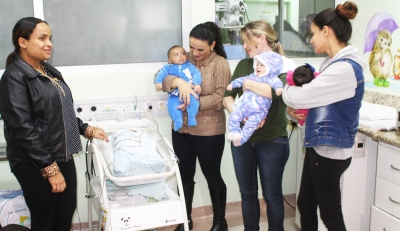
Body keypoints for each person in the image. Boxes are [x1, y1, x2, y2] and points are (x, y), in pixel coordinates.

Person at [0, 17, 109, 231]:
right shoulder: (14, 77)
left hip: (61, 152)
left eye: (50, 38)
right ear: (23, 42)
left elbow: (60, 112)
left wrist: (85, 128)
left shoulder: (48, 71)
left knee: (66, 211)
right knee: (45, 217)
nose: (49, 43)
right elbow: (22, 128)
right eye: (42, 38)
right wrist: (50, 169)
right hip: (32, 160)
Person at [282, 2, 365, 230]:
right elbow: (310, 100)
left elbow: (298, 96)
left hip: (330, 151)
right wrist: (293, 106)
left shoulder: (344, 69)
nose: (310, 40)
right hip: (320, 147)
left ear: (326, 31)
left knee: (330, 214)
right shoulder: (331, 64)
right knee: (306, 204)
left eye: (313, 33)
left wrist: (288, 92)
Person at [223, 20, 296, 231]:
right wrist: (238, 113)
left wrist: (248, 84)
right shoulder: (245, 64)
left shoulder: (283, 64)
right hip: (243, 141)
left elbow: (276, 93)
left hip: (273, 140)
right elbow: (228, 96)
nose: (244, 47)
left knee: (272, 195)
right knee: (247, 194)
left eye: (246, 41)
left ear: (261, 38)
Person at [160, 21, 231, 231]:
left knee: (212, 175)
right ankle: (185, 220)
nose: (194, 53)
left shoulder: (220, 64)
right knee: (183, 176)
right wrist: (178, 83)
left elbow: (220, 99)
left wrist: (192, 100)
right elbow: (164, 79)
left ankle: (220, 222)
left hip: (209, 131)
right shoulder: (184, 59)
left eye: (200, 49)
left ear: (212, 45)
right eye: (191, 47)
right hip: (182, 130)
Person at [226, 51, 284, 147]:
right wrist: (233, 84)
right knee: (233, 116)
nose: (258, 67)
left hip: (258, 111)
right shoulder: (253, 76)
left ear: (271, 68)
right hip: (244, 106)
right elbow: (242, 79)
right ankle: (234, 132)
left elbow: (277, 83)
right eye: (257, 64)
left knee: (250, 126)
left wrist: (278, 88)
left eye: (262, 65)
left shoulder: (270, 78)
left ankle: (241, 139)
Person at [154, 45, 202, 131]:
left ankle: (192, 117)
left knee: (194, 101)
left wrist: (197, 84)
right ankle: (177, 120)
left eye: (183, 54)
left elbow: (196, 73)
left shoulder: (189, 65)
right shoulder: (168, 67)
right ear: (170, 60)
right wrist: (158, 82)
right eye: (176, 55)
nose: (181, 56)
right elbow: (160, 74)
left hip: (190, 92)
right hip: (175, 94)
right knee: (172, 106)